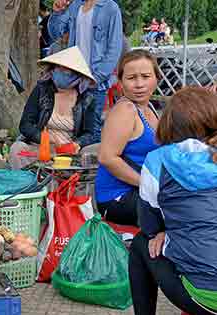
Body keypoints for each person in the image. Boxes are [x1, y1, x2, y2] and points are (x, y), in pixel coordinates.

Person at [130, 87, 217, 315]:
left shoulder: (158, 160)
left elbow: (148, 223)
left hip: (205, 302)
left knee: (139, 245)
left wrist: (164, 231)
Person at [95, 50, 161, 226]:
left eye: (146, 76)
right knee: (185, 208)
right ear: (121, 83)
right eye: (131, 78)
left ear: (156, 78)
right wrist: (148, 186)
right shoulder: (126, 110)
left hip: (142, 191)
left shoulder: (151, 109)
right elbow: (107, 158)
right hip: (118, 197)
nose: (139, 84)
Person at [9, 46, 98, 169]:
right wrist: (45, 138)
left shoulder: (87, 98)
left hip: (69, 153)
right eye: (59, 69)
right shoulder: (41, 90)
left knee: (99, 150)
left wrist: (78, 143)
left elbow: (90, 133)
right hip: (40, 149)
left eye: (67, 71)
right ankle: (27, 184)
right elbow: (25, 125)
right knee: (17, 149)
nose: (61, 73)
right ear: (53, 70)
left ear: (76, 76)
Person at [48, 0, 123, 145]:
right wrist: (57, 12)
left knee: (91, 133)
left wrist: (97, 78)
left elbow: (114, 47)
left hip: (94, 81)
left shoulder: (110, 7)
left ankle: (93, 166)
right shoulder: (75, 6)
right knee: (74, 130)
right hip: (73, 78)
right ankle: (72, 165)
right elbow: (55, 33)